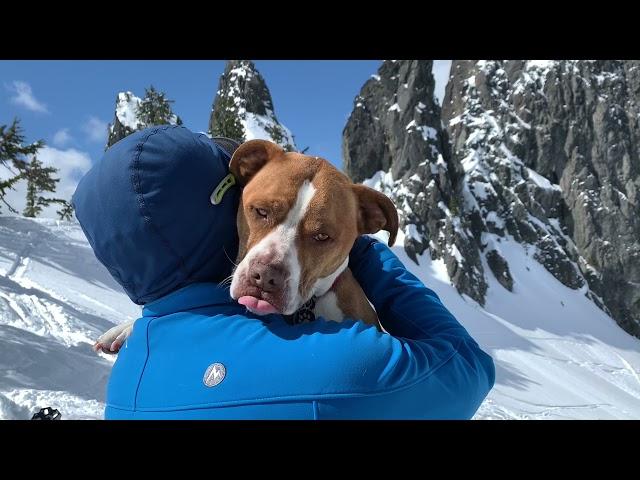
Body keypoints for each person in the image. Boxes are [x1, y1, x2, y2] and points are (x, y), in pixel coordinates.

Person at [72, 125, 495, 419]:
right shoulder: (357, 366)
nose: (272, 264)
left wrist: (152, 322)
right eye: (260, 213)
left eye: (320, 238)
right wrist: (369, 256)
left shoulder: (130, 376)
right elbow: (467, 368)